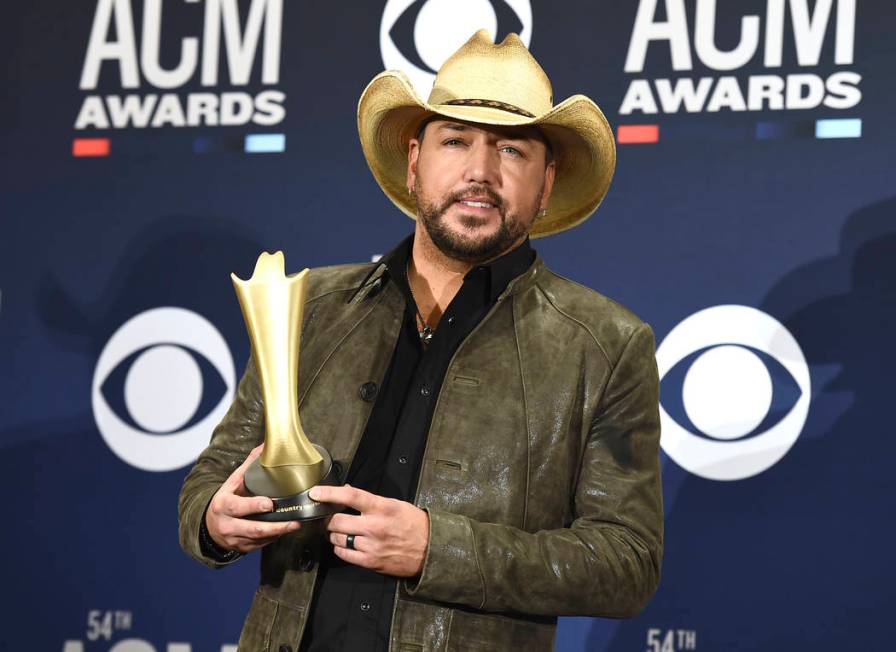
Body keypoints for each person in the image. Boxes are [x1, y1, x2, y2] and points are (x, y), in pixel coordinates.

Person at [179, 30, 663, 651]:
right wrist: (215, 521)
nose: (479, 173)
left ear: (545, 184)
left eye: (511, 151)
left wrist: (440, 549)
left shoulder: (606, 345)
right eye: (455, 141)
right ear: (414, 161)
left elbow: (627, 562)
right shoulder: (311, 308)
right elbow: (211, 481)